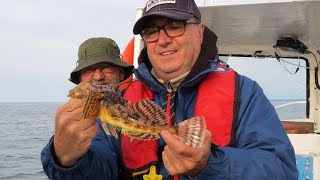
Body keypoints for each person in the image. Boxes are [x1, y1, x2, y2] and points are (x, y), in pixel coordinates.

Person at [42, 1, 298, 179]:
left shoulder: (245, 92)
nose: (162, 39)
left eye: (174, 26)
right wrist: (66, 158)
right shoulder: (120, 99)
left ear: (199, 31)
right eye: (151, 31)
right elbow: (100, 169)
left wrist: (211, 164)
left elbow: (282, 170)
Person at [41, 37, 134, 179]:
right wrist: (66, 160)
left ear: (121, 73)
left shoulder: (141, 99)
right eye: (89, 70)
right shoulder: (87, 118)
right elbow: (100, 161)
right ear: (80, 80)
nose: (98, 76)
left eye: (106, 67)